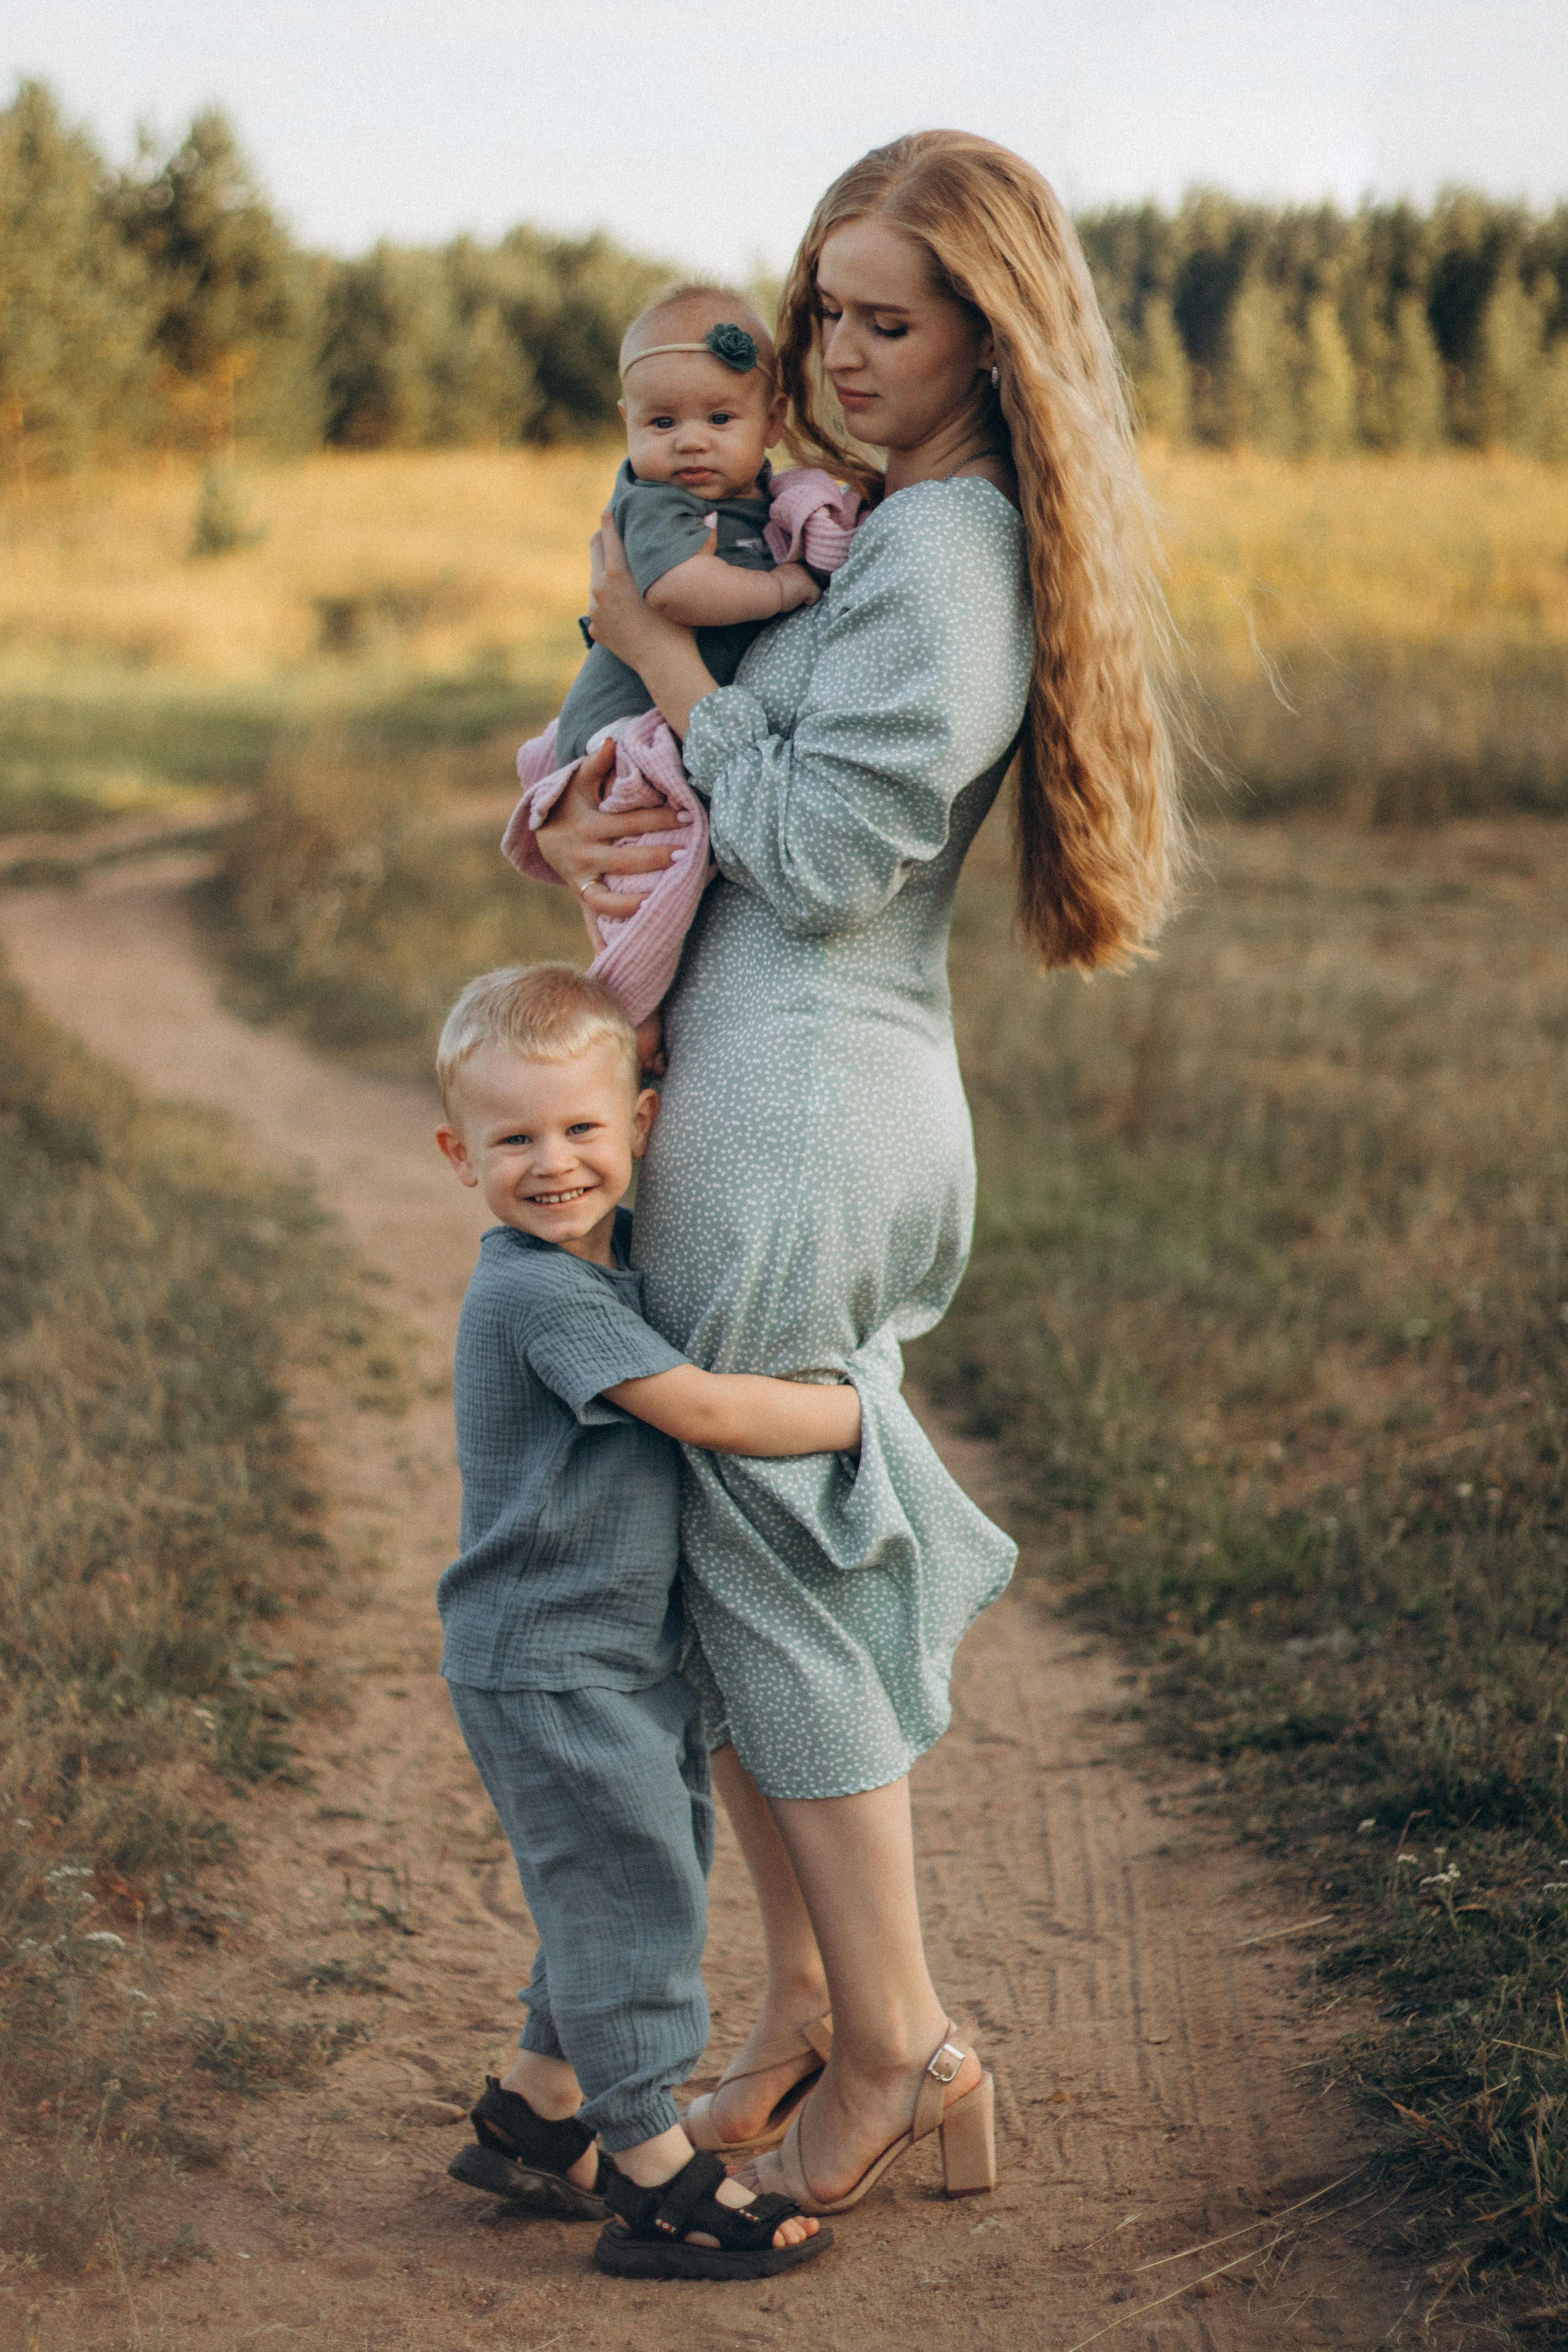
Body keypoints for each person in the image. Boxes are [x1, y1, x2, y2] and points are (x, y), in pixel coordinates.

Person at [529, 130, 1180, 2220]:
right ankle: (813, 2014)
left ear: (996, 332)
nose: (840, 350)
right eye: (825, 307)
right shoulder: (853, 526)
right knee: (732, 1566)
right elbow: (664, 785)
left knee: (781, 1564)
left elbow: (810, 858)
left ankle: (899, 2051)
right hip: (755, 1081)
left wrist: (676, 666)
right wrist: (566, 817)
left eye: (886, 318)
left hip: (810, 1102)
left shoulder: (948, 555)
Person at [432, 962, 863, 2280]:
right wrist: (867, 1420)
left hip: (608, 1660)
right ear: (459, 1155)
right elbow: (711, 1414)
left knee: (621, 1868)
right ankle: (647, 2167)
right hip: (554, 1666)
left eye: (580, 1129)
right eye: (514, 1139)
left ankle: (533, 2112)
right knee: (634, 1894)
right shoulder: (536, 1295)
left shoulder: (596, 1276)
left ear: (642, 1126)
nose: (553, 1163)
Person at [503, 284, 863, 1037]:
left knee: (651, 863)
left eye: (719, 418)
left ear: (773, 420)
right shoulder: (656, 501)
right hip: (623, 729)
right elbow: (674, 590)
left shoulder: (758, 492)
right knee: (650, 866)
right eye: (662, 422)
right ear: (627, 423)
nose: (690, 442)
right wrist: (783, 585)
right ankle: (631, 1011)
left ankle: (637, 1005)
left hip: (665, 717)